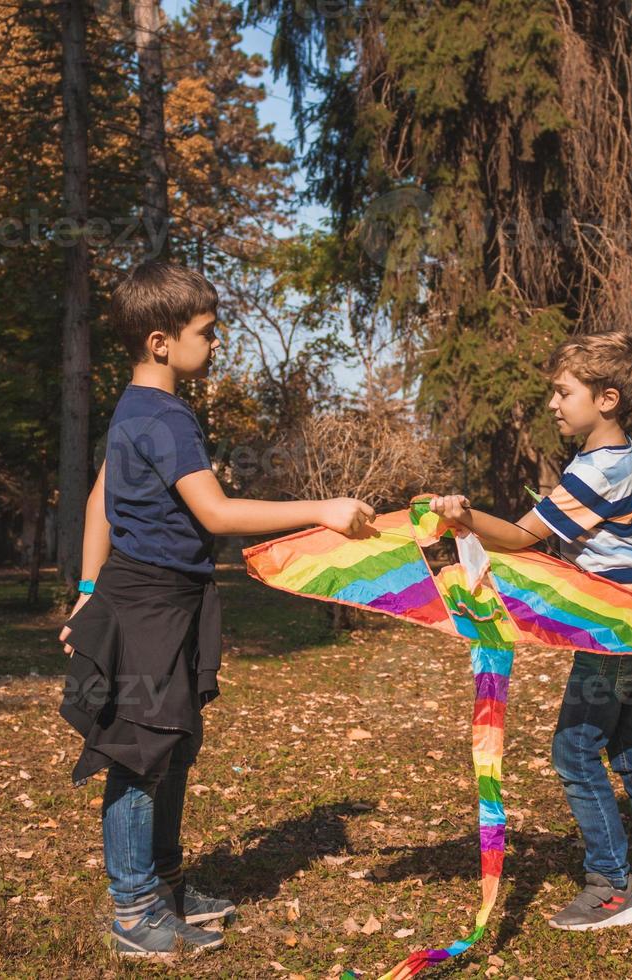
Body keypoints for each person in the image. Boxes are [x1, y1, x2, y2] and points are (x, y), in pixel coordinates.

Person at [57, 260, 375, 957]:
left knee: (170, 743)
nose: (217, 340)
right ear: (161, 341)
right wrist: (325, 509)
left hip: (162, 596)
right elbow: (217, 511)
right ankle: (135, 913)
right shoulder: (163, 416)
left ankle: (164, 886)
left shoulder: (134, 408)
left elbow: (95, 505)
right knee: (140, 752)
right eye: (207, 330)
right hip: (149, 605)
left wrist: (86, 592)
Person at [428, 330, 632, 931]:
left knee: (575, 751)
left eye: (562, 392)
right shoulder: (621, 457)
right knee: (628, 749)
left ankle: (609, 887)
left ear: (606, 398)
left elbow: (523, 535)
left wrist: (462, 518)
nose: (552, 403)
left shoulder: (595, 470)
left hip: (613, 629)